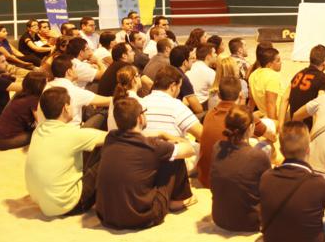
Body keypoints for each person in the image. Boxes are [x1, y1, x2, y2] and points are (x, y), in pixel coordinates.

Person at [96, 97, 196, 230]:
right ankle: (177, 202)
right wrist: (170, 138)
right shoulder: (153, 146)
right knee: (174, 158)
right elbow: (189, 150)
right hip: (141, 217)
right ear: (140, 118)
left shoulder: (110, 138)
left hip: (108, 215)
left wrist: (159, 134)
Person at [24, 87, 107, 217]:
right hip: (69, 204)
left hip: (43, 202)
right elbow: (113, 137)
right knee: (111, 150)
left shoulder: (38, 131)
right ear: (65, 108)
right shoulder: (72, 134)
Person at [210, 105, 273, 232]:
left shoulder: (217, 147)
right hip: (249, 222)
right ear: (251, 127)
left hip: (219, 218)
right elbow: (269, 192)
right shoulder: (258, 156)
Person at [198, 77, 268, 189]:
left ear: (219, 95)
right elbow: (267, 133)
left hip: (206, 177)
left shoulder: (209, 114)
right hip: (230, 181)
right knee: (266, 145)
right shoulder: (242, 114)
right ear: (240, 95)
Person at [44, 55, 111, 128]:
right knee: (104, 112)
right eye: (75, 67)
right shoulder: (73, 91)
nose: (77, 70)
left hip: (48, 130)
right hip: (72, 132)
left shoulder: (46, 87)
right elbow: (108, 101)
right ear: (69, 71)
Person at [0, 71, 47, 150]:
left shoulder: (20, 94)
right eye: (46, 83)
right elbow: (40, 122)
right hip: (6, 140)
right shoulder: (33, 99)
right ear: (39, 86)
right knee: (39, 133)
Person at [280, 44, 325, 129]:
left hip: (294, 124)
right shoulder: (324, 79)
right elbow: (318, 104)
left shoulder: (298, 74)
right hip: (307, 128)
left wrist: (280, 126)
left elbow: (285, 98)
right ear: (324, 63)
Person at [106, 64, 145, 131]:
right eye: (139, 75)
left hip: (113, 137)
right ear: (135, 79)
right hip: (127, 139)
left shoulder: (115, 99)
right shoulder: (136, 101)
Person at [248, 45, 282, 121]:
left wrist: (248, 116)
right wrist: (274, 125)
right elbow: (270, 103)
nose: (281, 62)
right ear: (269, 64)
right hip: (276, 116)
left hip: (264, 115)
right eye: (278, 60)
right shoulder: (272, 76)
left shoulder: (253, 74)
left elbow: (251, 100)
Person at [170, 45, 204, 117]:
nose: (194, 60)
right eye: (191, 58)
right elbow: (198, 109)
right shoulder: (182, 78)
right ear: (185, 62)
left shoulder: (166, 71)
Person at [186, 43, 217, 110]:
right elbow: (217, 91)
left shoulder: (191, 67)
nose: (216, 55)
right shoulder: (209, 72)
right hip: (201, 105)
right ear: (208, 57)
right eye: (214, 53)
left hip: (188, 105)